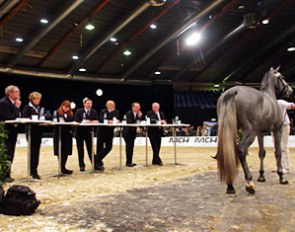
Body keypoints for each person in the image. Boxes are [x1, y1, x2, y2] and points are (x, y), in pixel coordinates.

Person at [0, 85, 21, 182]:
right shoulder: (4, 103)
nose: (18, 93)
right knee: (6, 153)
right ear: (10, 93)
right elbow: (9, 118)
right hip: (6, 132)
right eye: (16, 91)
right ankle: (4, 175)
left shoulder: (13, 103)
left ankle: (7, 174)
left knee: (11, 153)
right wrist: (16, 108)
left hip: (13, 132)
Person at [22, 92, 43, 179]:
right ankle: (32, 171)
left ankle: (34, 170)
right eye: (36, 99)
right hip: (31, 132)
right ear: (32, 99)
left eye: (39, 99)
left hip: (38, 132)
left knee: (37, 152)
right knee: (33, 151)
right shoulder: (27, 107)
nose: (38, 101)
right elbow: (25, 118)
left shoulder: (38, 108)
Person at [74, 98, 98, 171]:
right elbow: (76, 121)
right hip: (79, 133)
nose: (89, 105)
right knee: (80, 150)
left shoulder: (94, 111)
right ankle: (81, 165)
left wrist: (89, 121)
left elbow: (96, 121)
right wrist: (84, 122)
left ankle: (94, 164)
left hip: (89, 133)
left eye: (90, 103)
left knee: (90, 149)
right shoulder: (79, 111)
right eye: (87, 103)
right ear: (84, 104)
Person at [95, 100, 119, 171]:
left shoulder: (116, 112)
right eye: (111, 105)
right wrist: (110, 121)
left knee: (109, 147)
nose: (113, 106)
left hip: (110, 132)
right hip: (101, 132)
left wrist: (110, 121)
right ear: (107, 105)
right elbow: (102, 120)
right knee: (99, 148)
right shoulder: (103, 111)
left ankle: (96, 159)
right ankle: (98, 164)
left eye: (114, 105)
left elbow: (117, 120)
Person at [53, 100, 74, 175]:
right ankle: (61, 167)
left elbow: (71, 122)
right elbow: (56, 122)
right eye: (65, 106)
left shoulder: (70, 114)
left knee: (66, 151)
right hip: (59, 134)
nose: (66, 108)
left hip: (67, 135)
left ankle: (63, 167)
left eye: (68, 107)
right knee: (60, 151)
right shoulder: (57, 113)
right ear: (62, 106)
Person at [277, 99, 295, 174]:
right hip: (275, 127)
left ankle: (287, 168)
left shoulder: (280, 102)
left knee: (283, 147)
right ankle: (279, 166)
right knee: (277, 148)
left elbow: (293, 105)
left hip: (284, 126)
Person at [123, 102, 142, 167]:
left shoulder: (137, 114)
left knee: (131, 147)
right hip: (127, 133)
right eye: (136, 107)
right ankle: (128, 162)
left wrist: (139, 117)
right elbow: (130, 123)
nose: (138, 108)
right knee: (129, 147)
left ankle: (129, 161)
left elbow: (138, 123)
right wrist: (138, 117)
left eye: (139, 107)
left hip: (132, 133)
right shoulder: (129, 113)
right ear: (133, 107)